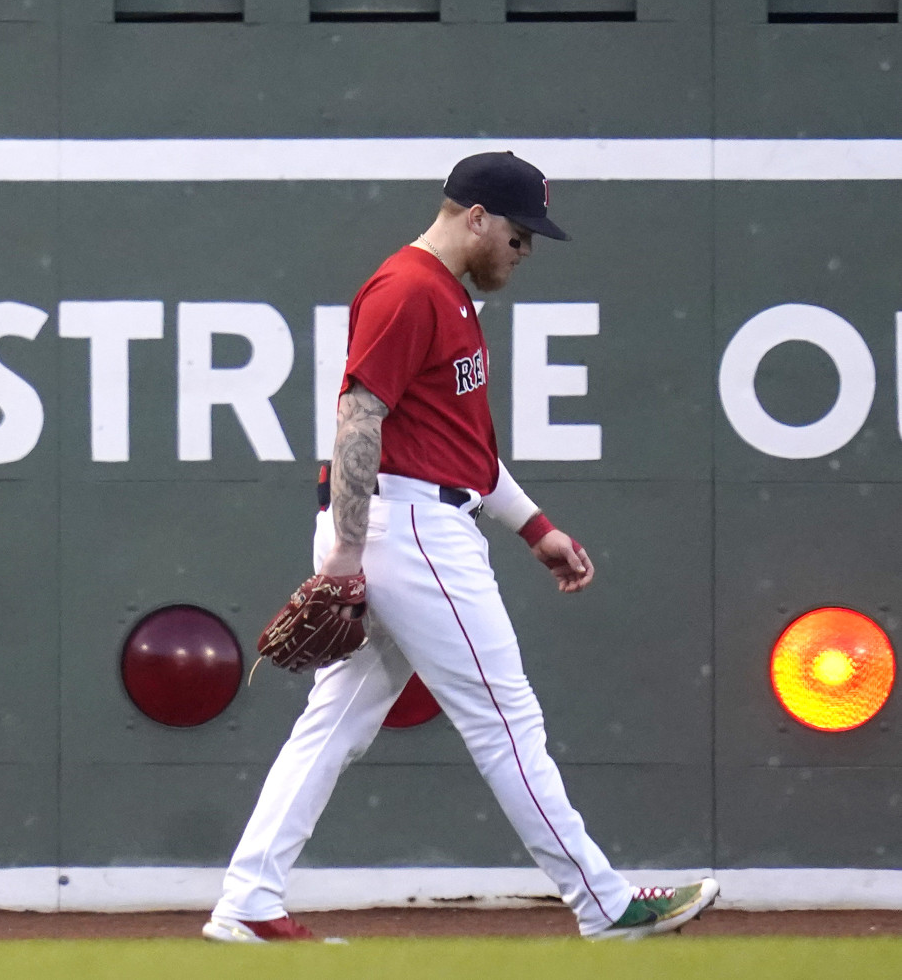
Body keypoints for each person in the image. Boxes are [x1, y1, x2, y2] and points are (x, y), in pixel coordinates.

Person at [203, 151, 717, 944]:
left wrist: (534, 526)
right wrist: (343, 555)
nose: (523, 251)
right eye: (517, 234)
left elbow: (460, 448)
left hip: (415, 516)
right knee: (504, 718)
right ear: (474, 216)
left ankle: (247, 902)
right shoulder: (407, 290)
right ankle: (602, 902)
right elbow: (358, 419)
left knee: (334, 722)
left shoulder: (447, 298)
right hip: (405, 530)